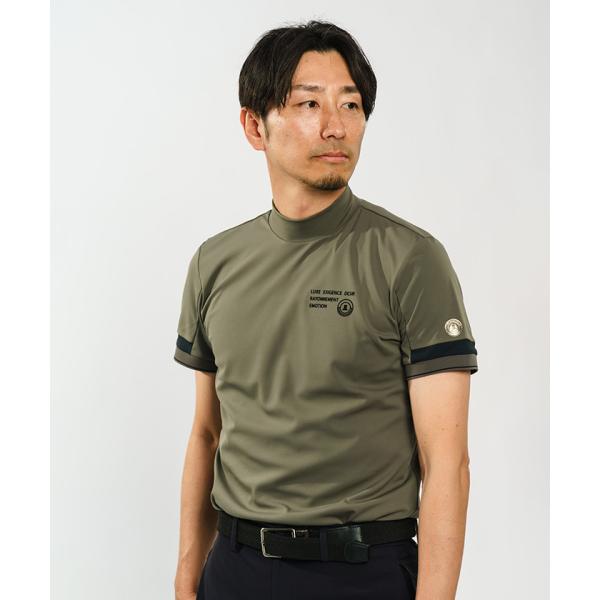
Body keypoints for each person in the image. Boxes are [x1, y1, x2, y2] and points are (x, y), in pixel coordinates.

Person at [173, 19, 478, 600]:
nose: (336, 126)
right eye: (309, 104)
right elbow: (207, 434)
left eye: (351, 105)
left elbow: (447, 463)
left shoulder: (410, 259)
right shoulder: (214, 262)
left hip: (362, 573)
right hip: (234, 570)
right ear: (254, 125)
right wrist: (187, 582)